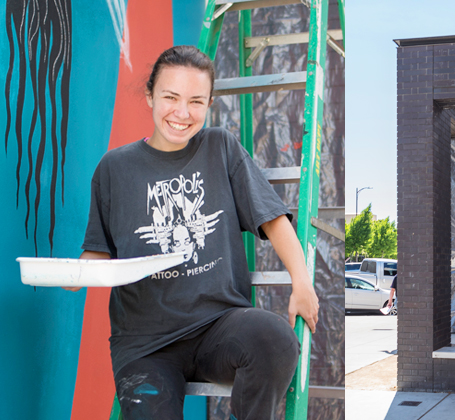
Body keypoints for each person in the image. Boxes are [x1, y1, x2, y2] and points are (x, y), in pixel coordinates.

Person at [65, 45, 319, 420]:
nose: (182, 113)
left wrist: (302, 282)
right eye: (170, 97)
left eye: (196, 101)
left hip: (219, 326)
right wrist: (74, 274)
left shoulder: (221, 147)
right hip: (145, 345)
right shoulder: (113, 168)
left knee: (275, 339)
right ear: (150, 94)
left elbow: (272, 218)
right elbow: (100, 252)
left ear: (209, 102)